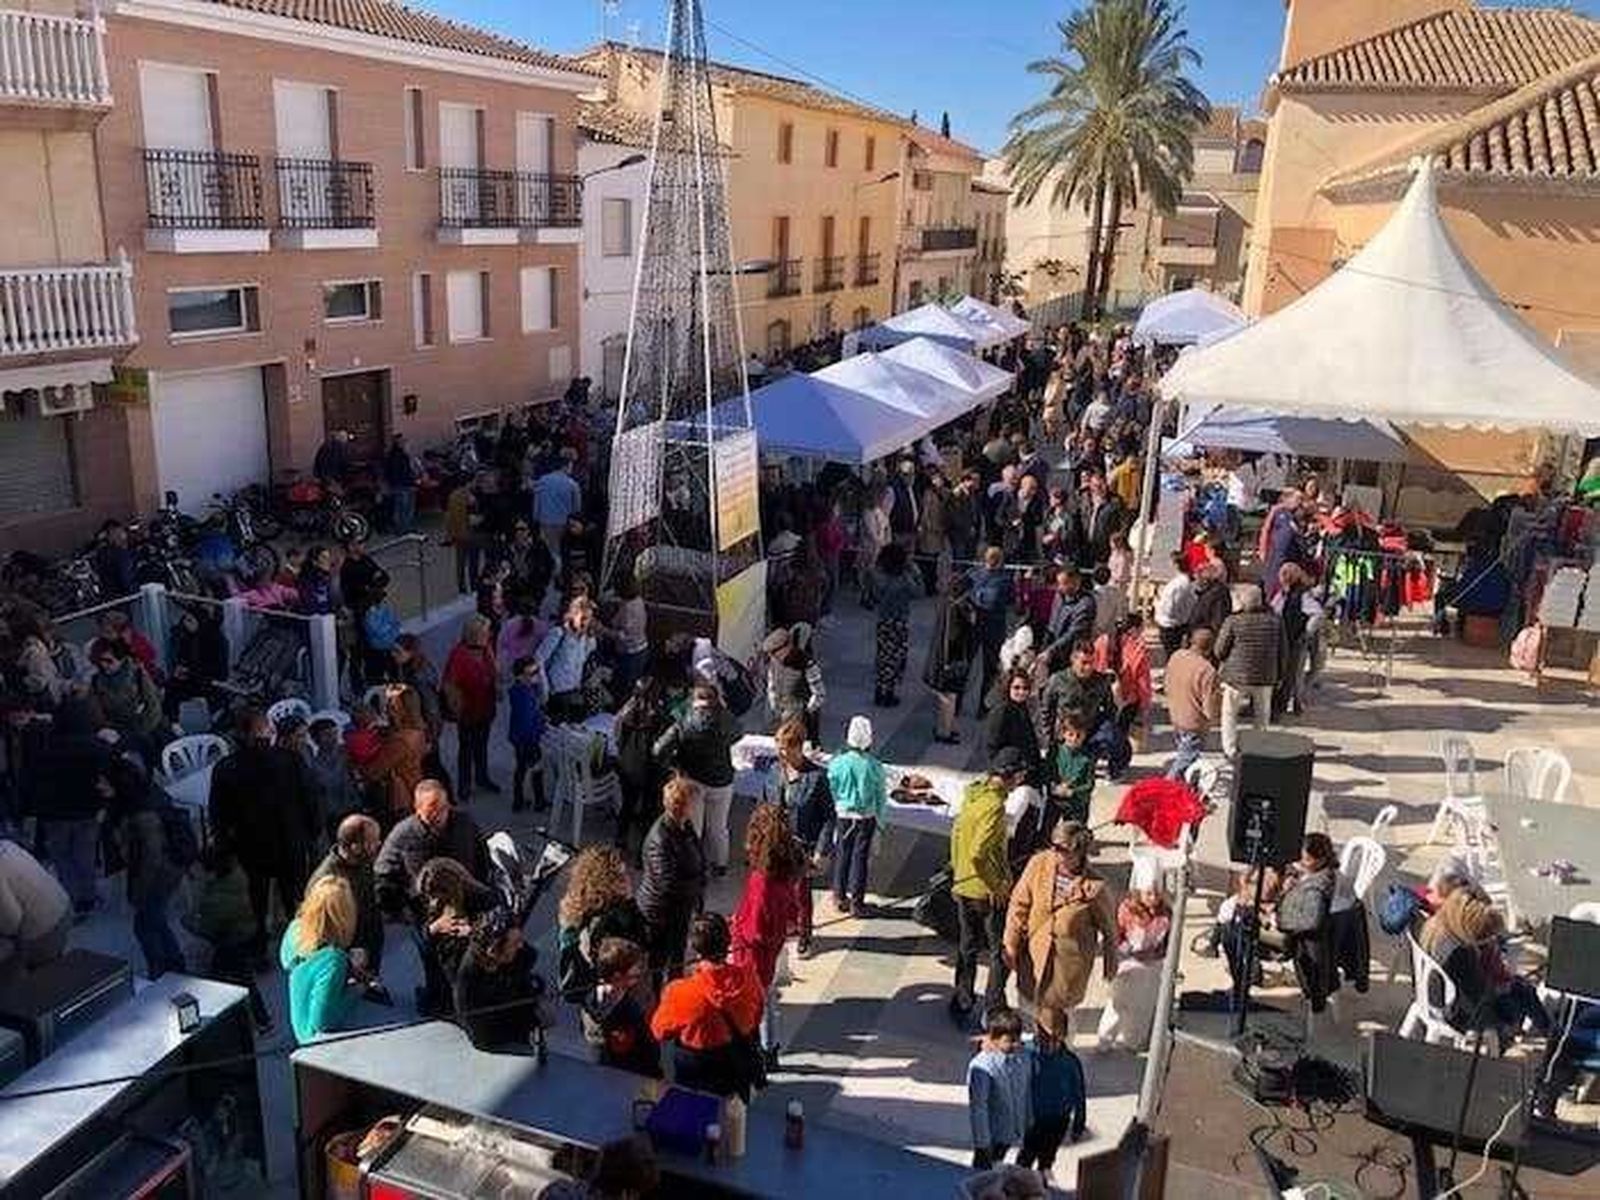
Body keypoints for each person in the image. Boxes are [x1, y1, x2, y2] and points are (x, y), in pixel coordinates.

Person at [209, 709, 318, 951]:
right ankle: (300, 943)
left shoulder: (226, 767)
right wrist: (312, 832)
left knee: (258, 892)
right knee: (294, 895)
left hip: (252, 844)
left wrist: (223, 850)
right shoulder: (289, 759)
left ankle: (261, 938)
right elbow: (309, 798)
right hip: (289, 839)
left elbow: (218, 815)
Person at [1004, 821, 1117, 1039]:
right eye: (1053, 846)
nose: (1055, 852)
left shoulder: (1095, 888)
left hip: (1067, 969)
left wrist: (1110, 965)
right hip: (1034, 958)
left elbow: (1110, 929)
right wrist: (1010, 943)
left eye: (1062, 849)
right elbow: (1019, 904)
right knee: (1029, 1014)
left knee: (1062, 1027)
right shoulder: (1039, 863)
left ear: (1078, 853)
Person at [950, 749, 1030, 1027]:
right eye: (1019, 775)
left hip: (963, 884)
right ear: (1010, 775)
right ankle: (994, 1007)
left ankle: (962, 1000)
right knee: (999, 951)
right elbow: (979, 852)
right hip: (985, 891)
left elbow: (957, 835)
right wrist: (996, 886)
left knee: (967, 945)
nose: (1021, 780)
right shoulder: (994, 806)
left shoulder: (973, 795)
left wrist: (957, 873)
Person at [650, 913, 765, 1100]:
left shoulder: (679, 991)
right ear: (727, 943)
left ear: (694, 948)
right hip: (736, 1065)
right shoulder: (749, 978)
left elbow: (659, 1031)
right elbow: (757, 1015)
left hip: (696, 1071)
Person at [1420, 885, 1550, 1039]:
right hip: (1460, 1015)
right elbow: (1480, 998)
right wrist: (1502, 987)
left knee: (1520, 987)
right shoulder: (1461, 955)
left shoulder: (1437, 926)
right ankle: (1538, 1031)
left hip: (1435, 999)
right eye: (1484, 938)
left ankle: (1544, 1028)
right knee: (1522, 993)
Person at [730, 803, 805, 1064]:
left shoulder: (761, 880)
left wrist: (737, 925)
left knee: (757, 1003)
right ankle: (768, 1048)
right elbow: (792, 909)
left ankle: (763, 1052)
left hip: (754, 953)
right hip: (772, 945)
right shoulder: (786, 866)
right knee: (767, 998)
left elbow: (755, 930)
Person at [25, 698, 112, 914]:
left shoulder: (46, 746)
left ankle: (70, 896)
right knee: (85, 855)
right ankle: (88, 896)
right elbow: (106, 780)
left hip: (54, 813)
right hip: (87, 812)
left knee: (61, 856)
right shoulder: (99, 747)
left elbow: (35, 780)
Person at [558, 846, 650, 1031]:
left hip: (593, 997)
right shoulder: (611, 920)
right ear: (606, 882)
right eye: (621, 875)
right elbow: (640, 943)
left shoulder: (579, 908)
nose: (628, 878)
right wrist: (630, 904)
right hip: (617, 998)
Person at [762, 718, 833, 957]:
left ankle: (805, 933)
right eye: (779, 748)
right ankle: (784, 925)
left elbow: (828, 816)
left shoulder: (817, 777)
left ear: (799, 747)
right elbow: (765, 804)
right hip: (777, 842)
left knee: (802, 893)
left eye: (786, 749)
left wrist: (822, 850)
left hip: (802, 845)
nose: (782, 754)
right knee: (776, 889)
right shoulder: (774, 770)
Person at [653, 684, 740, 876]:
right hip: (722, 781)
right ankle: (720, 864)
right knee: (719, 828)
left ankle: (696, 865)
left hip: (694, 780)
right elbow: (738, 733)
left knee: (694, 829)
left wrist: (674, 765)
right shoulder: (726, 719)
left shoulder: (684, 723)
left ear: (694, 701)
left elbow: (659, 749)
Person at [184, 845, 272, 1031]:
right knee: (244, 980)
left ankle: (230, 1023)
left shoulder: (217, 898)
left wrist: (188, 922)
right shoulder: (236, 877)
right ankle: (262, 1019)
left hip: (229, 941)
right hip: (242, 934)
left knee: (220, 982)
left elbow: (205, 927)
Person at [374, 780, 490, 919]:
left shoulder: (464, 823)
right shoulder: (403, 834)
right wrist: (404, 911)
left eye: (444, 807)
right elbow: (383, 876)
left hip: (468, 904)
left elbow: (482, 857)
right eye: (432, 808)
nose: (440, 814)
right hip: (426, 914)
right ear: (417, 807)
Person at [116, 766, 188, 979]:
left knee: (145, 925)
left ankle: (161, 971)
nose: (99, 785)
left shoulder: (143, 816)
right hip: (170, 869)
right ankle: (174, 964)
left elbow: (151, 859)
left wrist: (139, 892)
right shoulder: (150, 798)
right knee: (155, 919)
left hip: (159, 876)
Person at [636, 776, 707, 981]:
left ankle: (675, 987)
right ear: (682, 807)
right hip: (660, 912)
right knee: (658, 960)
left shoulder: (685, 825)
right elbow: (667, 884)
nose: (697, 806)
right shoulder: (659, 839)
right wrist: (697, 885)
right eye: (693, 802)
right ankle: (658, 992)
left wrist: (702, 877)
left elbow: (697, 853)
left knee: (678, 954)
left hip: (681, 908)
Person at [1096, 858, 1171, 1051]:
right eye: (1149, 893)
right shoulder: (1127, 910)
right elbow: (1115, 937)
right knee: (1119, 1004)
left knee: (1143, 1006)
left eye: (1157, 893)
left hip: (1152, 967)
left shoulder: (1165, 913)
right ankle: (1105, 1038)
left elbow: (1167, 942)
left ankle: (1133, 1040)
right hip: (1127, 965)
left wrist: (1157, 953)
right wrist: (1122, 954)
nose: (1153, 898)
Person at [280, 874, 363, 1043]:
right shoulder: (333, 959)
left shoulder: (295, 928)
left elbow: (293, 964)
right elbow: (322, 1022)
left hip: (300, 1031)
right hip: (320, 1044)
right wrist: (357, 990)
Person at [454, 908, 551, 1051]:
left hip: (514, 1012)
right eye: (515, 943)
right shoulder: (469, 980)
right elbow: (481, 1035)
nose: (520, 946)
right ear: (494, 950)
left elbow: (530, 955)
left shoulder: (517, 955)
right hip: (497, 1034)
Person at [1216, 585, 1286, 757]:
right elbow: (1283, 652)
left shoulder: (1233, 621)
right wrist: (1280, 675)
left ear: (1242, 602)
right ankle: (1257, 748)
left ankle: (1230, 748)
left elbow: (1219, 650)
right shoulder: (1275, 621)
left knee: (1229, 713)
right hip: (1265, 676)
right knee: (1262, 715)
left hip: (1236, 676)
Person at [310, 814, 386, 974]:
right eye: (372, 841)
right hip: (347, 958)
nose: (379, 844)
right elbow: (318, 928)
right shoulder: (325, 880)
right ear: (355, 847)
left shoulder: (363, 861)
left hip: (370, 942)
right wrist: (346, 957)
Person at [827, 715, 886, 916]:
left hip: (844, 815)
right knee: (860, 859)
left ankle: (839, 896)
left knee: (842, 854)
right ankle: (857, 903)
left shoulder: (838, 763)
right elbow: (881, 796)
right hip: (866, 817)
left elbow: (832, 788)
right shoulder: (874, 765)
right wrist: (881, 821)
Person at [582, 937, 662, 1077]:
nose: (640, 971)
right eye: (636, 969)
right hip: (631, 1076)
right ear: (618, 976)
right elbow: (642, 1050)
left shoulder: (591, 998)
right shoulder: (628, 1011)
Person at [443, 614, 499, 800]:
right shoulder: (458, 655)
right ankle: (464, 785)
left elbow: (494, 671)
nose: (489, 634)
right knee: (466, 749)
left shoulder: (486, 649)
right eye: (486, 632)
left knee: (481, 746)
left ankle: (482, 777)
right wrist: (457, 707)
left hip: (485, 707)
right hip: (467, 711)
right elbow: (450, 684)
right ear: (475, 634)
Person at [966, 1006, 1030, 1170]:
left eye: (1017, 1039)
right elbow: (979, 1109)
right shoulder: (982, 1067)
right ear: (993, 1039)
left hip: (1010, 1131)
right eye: (1009, 1040)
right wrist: (982, 1145)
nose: (1016, 1044)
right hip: (992, 1137)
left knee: (998, 1160)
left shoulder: (1021, 1056)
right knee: (983, 1171)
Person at [357, 686, 430, 826]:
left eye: (391, 705)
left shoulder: (400, 741)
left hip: (398, 798)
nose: (386, 710)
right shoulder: (419, 730)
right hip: (413, 785)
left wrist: (356, 766)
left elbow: (374, 771)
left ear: (400, 709)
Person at [0, 838, 72, 979]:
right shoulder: (5, 844)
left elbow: (12, 924)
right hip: (64, 908)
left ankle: (25, 986)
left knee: (6, 957)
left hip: (45, 932)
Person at [924, 572, 978, 745]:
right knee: (950, 698)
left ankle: (945, 728)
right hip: (951, 661)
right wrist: (971, 622)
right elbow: (955, 637)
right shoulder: (957, 609)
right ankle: (945, 732)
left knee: (945, 698)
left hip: (941, 659)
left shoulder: (946, 603)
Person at [88, 638, 165, 754]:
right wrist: (110, 730)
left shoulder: (137, 674)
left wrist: (140, 730)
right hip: (117, 732)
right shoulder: (96, 681)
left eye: (109, 661)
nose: (104, 665)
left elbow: (153, 705)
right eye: (100, 661)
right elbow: (97, 713)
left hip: (144, 728)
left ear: (121, 659)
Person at [1164, 627, 1220, 780]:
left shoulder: (1176, 656)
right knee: (1185, 759)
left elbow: (1167, 682)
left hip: (1176, 715)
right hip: (1194, 723)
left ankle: (1181, 785)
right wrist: (1214, 720)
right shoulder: (1207, 670)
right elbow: (1209, 706)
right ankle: (1166, 786)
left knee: (1183, 754)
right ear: (1211, 647)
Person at [1272, 562, 1325, 718]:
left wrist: (1307, 632)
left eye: (1284, 576)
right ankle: (1283, 701)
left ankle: (1294, 703)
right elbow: (1275, 608)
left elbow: (1318, 613)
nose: (1282, 579)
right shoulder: (1283, 593)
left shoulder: (1302, 595)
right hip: (1282, 638)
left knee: (1294, 673)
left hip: (1295, 638)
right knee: (1285, 671)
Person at [535, 596, 599, 724]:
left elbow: (584, 660)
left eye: (588, 619)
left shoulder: (585, 638)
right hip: (556, 694)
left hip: (574, 692)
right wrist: (545, 690)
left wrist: (591, 639)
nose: (584, 623)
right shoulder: (558, 633)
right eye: (582, 618)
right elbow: (539, 659)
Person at [870, 544, 919, 708]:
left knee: (882, 656)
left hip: (883, 621)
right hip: (899, 622)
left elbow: (875, 595)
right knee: (895, 658)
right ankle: (889, 692)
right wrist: (914, 572)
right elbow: (919, 592)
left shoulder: (879, 577)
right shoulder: (904, 579)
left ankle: (879, 691)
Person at [762, 624, 825, 746]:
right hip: (780, 716)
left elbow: (819, 694)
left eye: (775, 652)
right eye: (770, 654)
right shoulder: (774, 662)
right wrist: (773, 705)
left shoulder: (807, 665)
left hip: (800, 721)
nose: (772, 656)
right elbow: (771, 684)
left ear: (787, 647)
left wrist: (805, 712)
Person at [970, 546, 1015, 712]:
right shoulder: (1006, 579)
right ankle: (983, 707)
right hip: (995, 627)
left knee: (966, 665)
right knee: (989, 669)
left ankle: (957, 703)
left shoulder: (974, 574)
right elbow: (1011, 601)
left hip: (974, 625)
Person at [985, 669, 1041, 771]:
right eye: (1016, 688)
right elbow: (992, 746)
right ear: (1008, 687)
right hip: (1007, 767)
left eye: (1025, 688)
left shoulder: (1022, 708)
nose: (1021, 692)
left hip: (1023, 765)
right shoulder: (1001, 710)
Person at [1153, 554, 1196, 659]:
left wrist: (1157, 604)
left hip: (1171, 625)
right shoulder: (1187, 582)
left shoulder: (1178, 584)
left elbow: (1169, 608)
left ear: (1176, 565)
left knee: (1171, 655)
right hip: (1179, 623)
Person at [857, 488, 892, 607]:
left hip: (879, 548)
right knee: (867, 574)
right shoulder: (867, 513)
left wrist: (886, 542)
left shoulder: (879, 511)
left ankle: (873, 595)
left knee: (875, 574)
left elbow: (886, 525)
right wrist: (880, 542)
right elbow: (871, 532)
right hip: (869, 548)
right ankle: (865, 597)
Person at [383, 433, 418, 534]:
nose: (404, 443)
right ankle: (403, 528)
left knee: (403, 507)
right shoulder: (398, 456)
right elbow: (400, 471)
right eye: (402, 442)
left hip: (403, 484)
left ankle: (404, 527)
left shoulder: (397, 455)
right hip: (402, 484)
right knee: (403, 508)